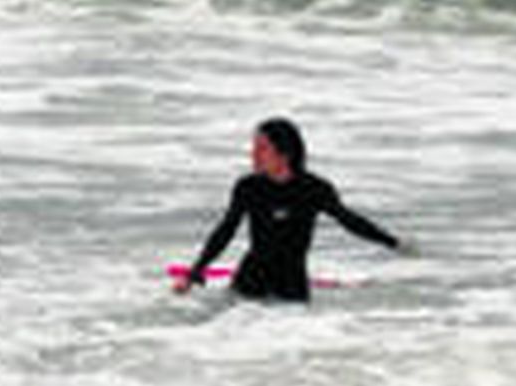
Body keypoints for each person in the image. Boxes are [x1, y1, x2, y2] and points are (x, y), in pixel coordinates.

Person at [175, 118, 409, 302]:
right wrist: (195, 272)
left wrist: (394, 243)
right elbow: (225, 230)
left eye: (262, 148)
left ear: (284, 153)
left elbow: (349, 221)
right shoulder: (249, 187)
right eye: (254, 147)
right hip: (249, 281)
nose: (253, 154)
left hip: (292, 285)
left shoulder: (314, 189)